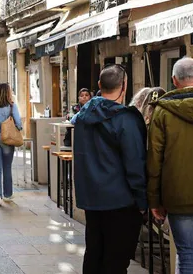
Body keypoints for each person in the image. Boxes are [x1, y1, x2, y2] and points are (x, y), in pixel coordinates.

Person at [72, 64, 147, 274]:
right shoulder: (125, 119)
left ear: (99, 85)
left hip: (93, 199)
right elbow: (135, 163)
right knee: (116, 260)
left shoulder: (83, 118)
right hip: (120, 200)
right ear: (124, 86)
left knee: (95, 254)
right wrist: (142, 200)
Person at [148, 57, 193, 273]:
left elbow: (154, 159)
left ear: (174, 80)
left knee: (188, 255)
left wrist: (154, 200)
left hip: (179, 195)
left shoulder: (162, 112)